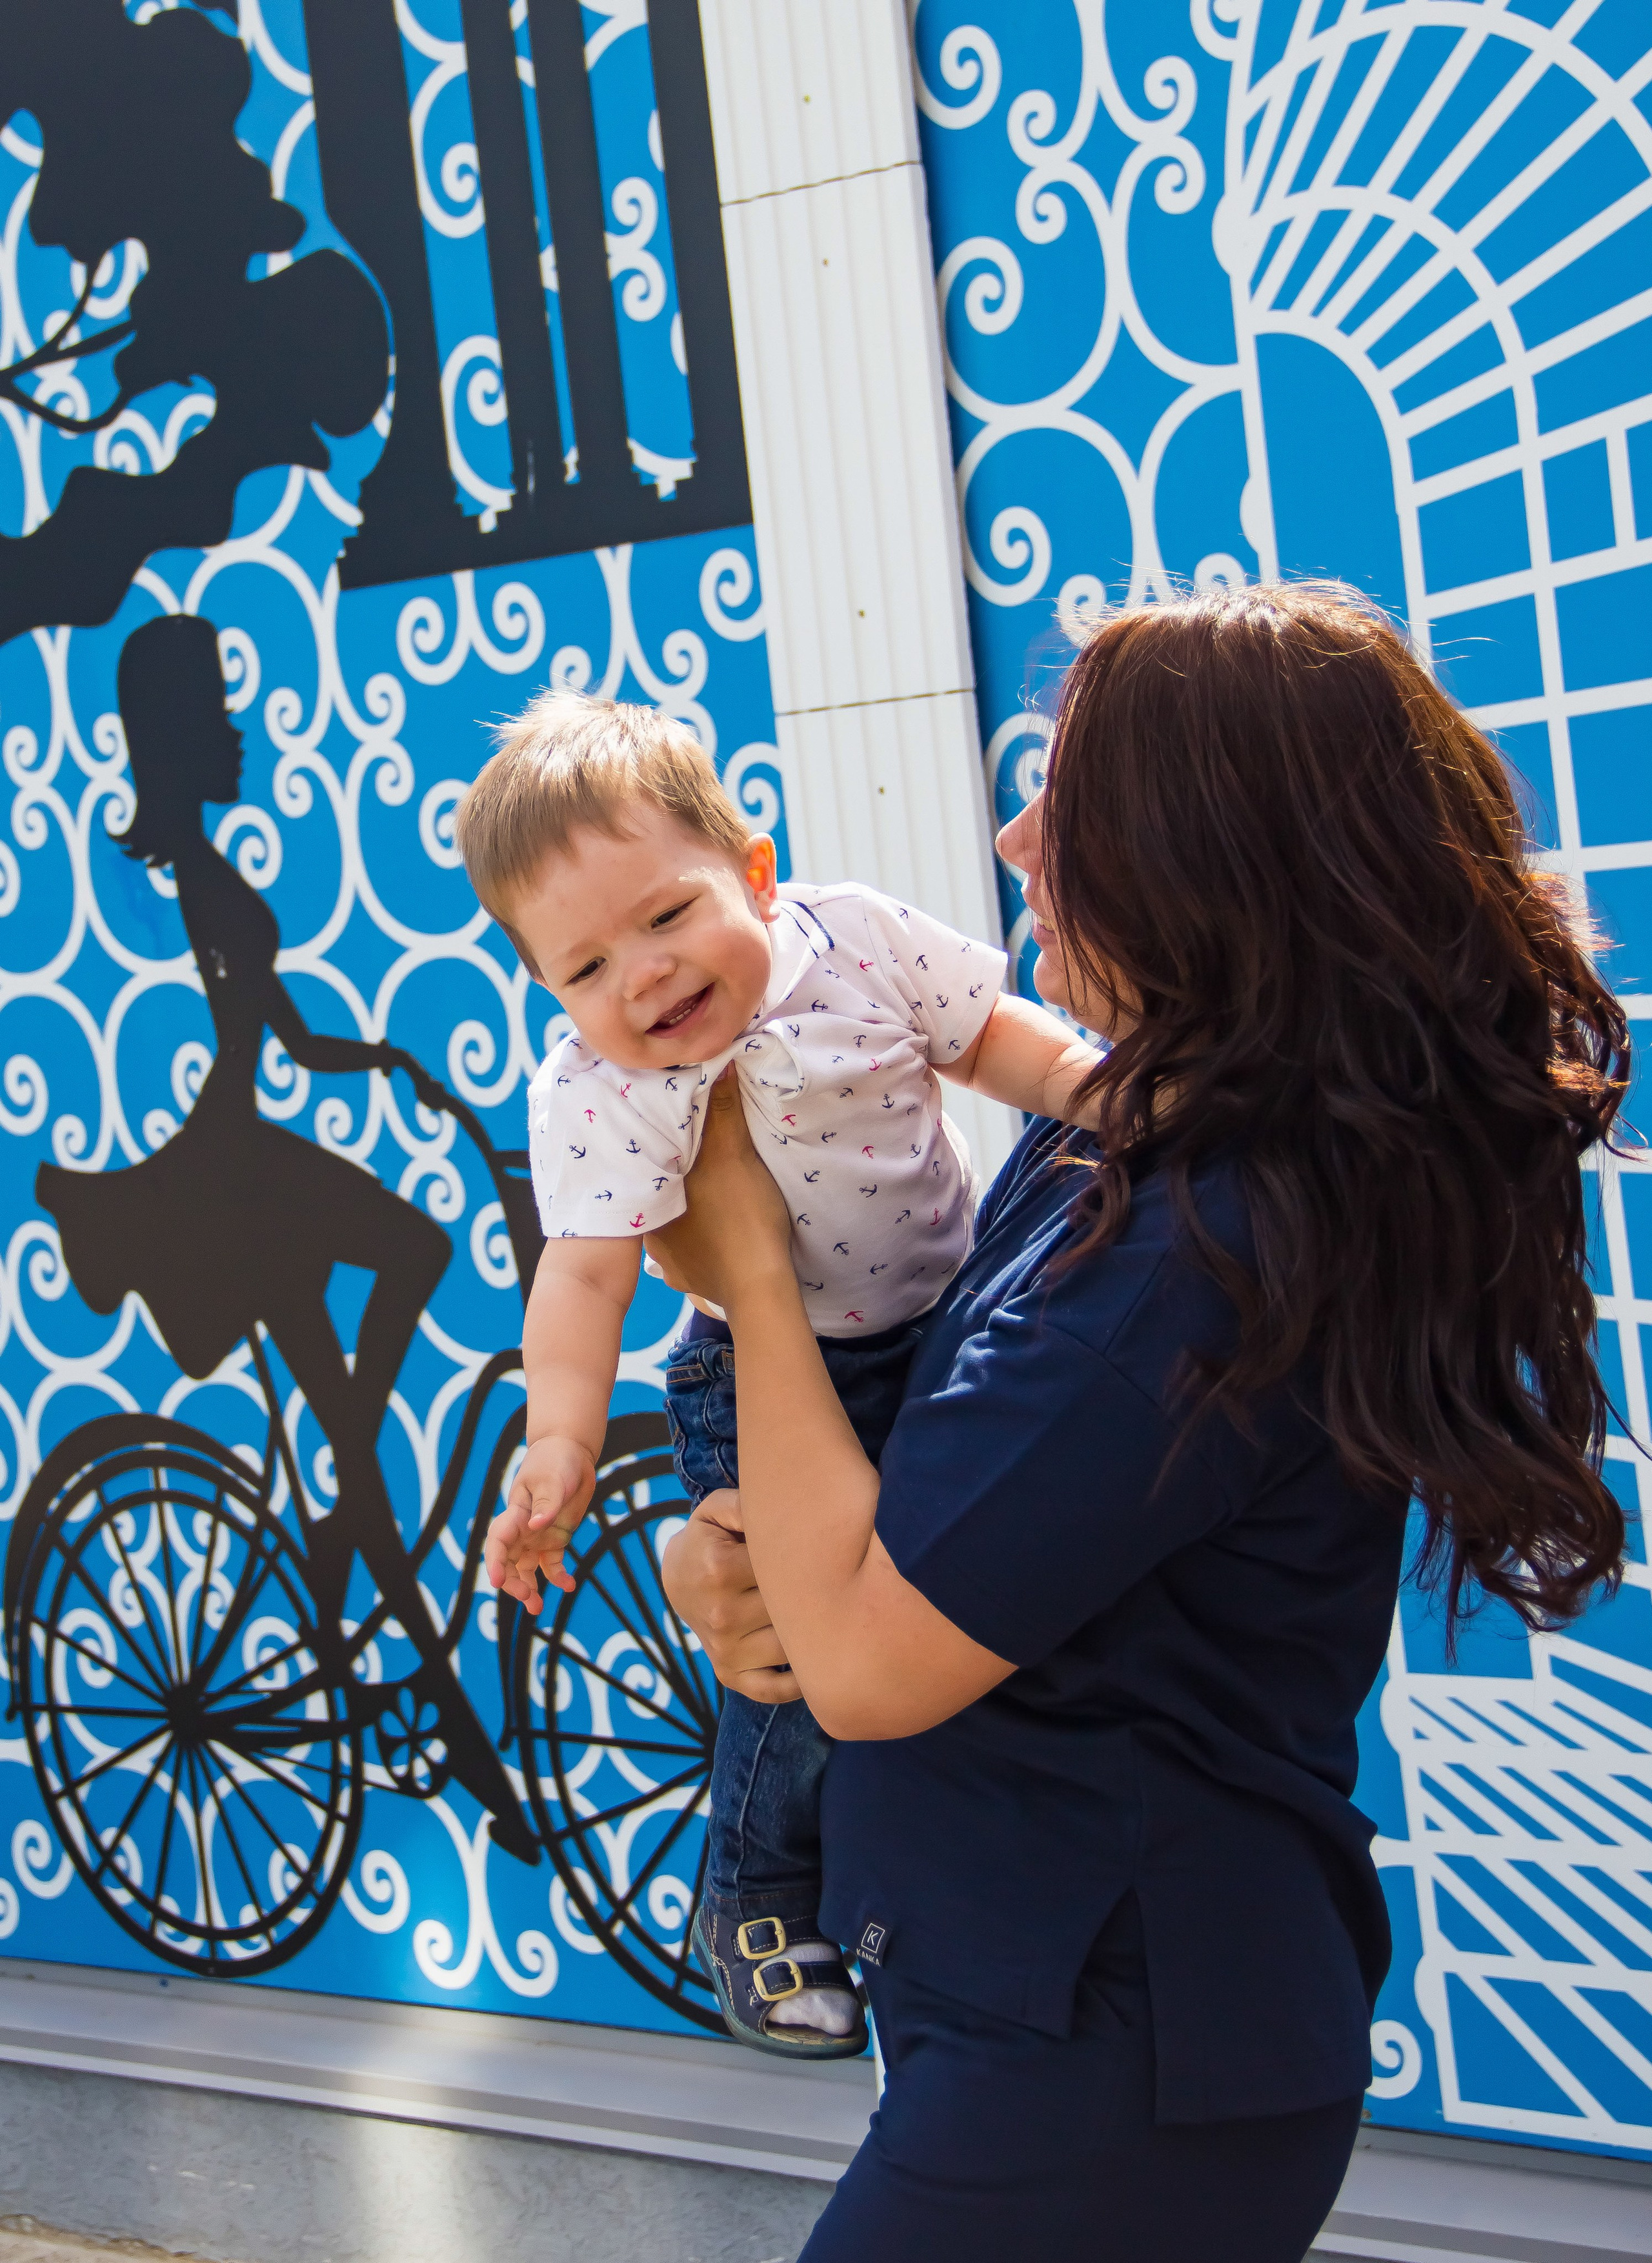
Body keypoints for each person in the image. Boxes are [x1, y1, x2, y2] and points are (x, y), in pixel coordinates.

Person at [648, 583, 1629, 2260]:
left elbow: (880, 1659)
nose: (1020, 834)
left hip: (1106, 2054)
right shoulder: (1143, 1136)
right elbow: (920, 1520)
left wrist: (743, 1244)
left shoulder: (1207, 1249)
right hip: (1059, 2017)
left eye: (1065, 802)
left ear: (1196, 858)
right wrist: (739, 1567)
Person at [463, 690, 1099, 2055]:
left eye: (666, 916)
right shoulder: (598, 1087)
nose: (637, 977)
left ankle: (953, 1856)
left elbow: (994, 1039)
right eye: (581, 969)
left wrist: (1109, 1094)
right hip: (755, 1373)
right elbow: (582, 1274)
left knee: (949, 1596)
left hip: (945, 1312)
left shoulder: (857, 942)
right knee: (790, 1649)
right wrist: (559, 1442)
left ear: (755, 872)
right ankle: (754, 1891)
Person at [37, 610, 538, 1862]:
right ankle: (421, 1665)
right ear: (168, 736)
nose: (237, 729)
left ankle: (416, 1667)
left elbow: (290, 1038)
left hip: (244, 1165)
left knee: (361, 1479)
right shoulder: (199, 883)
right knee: (417, 1253)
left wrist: (397, 1068)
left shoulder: (213, 881)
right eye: (213, 710)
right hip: (226, 1181)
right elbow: (225, 1063)